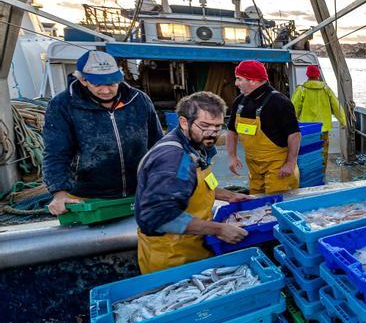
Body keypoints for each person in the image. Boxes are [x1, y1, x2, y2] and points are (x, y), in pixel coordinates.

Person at [135, 91, 250, 274]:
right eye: (204, 126)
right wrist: (218, 229)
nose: (212, 134)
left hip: (194, 242)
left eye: (217, 127)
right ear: (183, 122)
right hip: (170, 253)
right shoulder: (174, 159)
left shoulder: (199, 145)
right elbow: (158, 217)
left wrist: (229, 195)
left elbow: (200, 182)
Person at [43, 50, 163, 216]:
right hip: (87, 196)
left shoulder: (139, 100)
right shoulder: (62, 105)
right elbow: (56, 152)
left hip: (141, 191)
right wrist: (59, 193)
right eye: (98, 84)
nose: (106, 90)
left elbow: (158, 144)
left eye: (112, 83)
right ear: (83, 80)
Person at [227, 60, 302, 194]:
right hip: (253, 166)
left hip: (278, 168)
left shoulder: (280, 102)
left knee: (277, 203)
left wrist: (290, 163)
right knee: (257, 207)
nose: (236, 83)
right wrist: (232, 156)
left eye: (239, 79)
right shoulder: (239, 102)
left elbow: (294, 134)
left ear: (253, 81)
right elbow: (232, 131)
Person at [292, 64, 347, 169]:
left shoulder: (301, 89)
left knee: (307, 151)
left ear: (307, 75)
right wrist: (343, 121)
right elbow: (337, 107)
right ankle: (321, 171)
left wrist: (290, 124)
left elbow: (293, 108)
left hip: (307, 129)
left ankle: (308, 171)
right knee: (323, 151)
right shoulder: (326, 89)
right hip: (323, 128)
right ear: (318, 75)